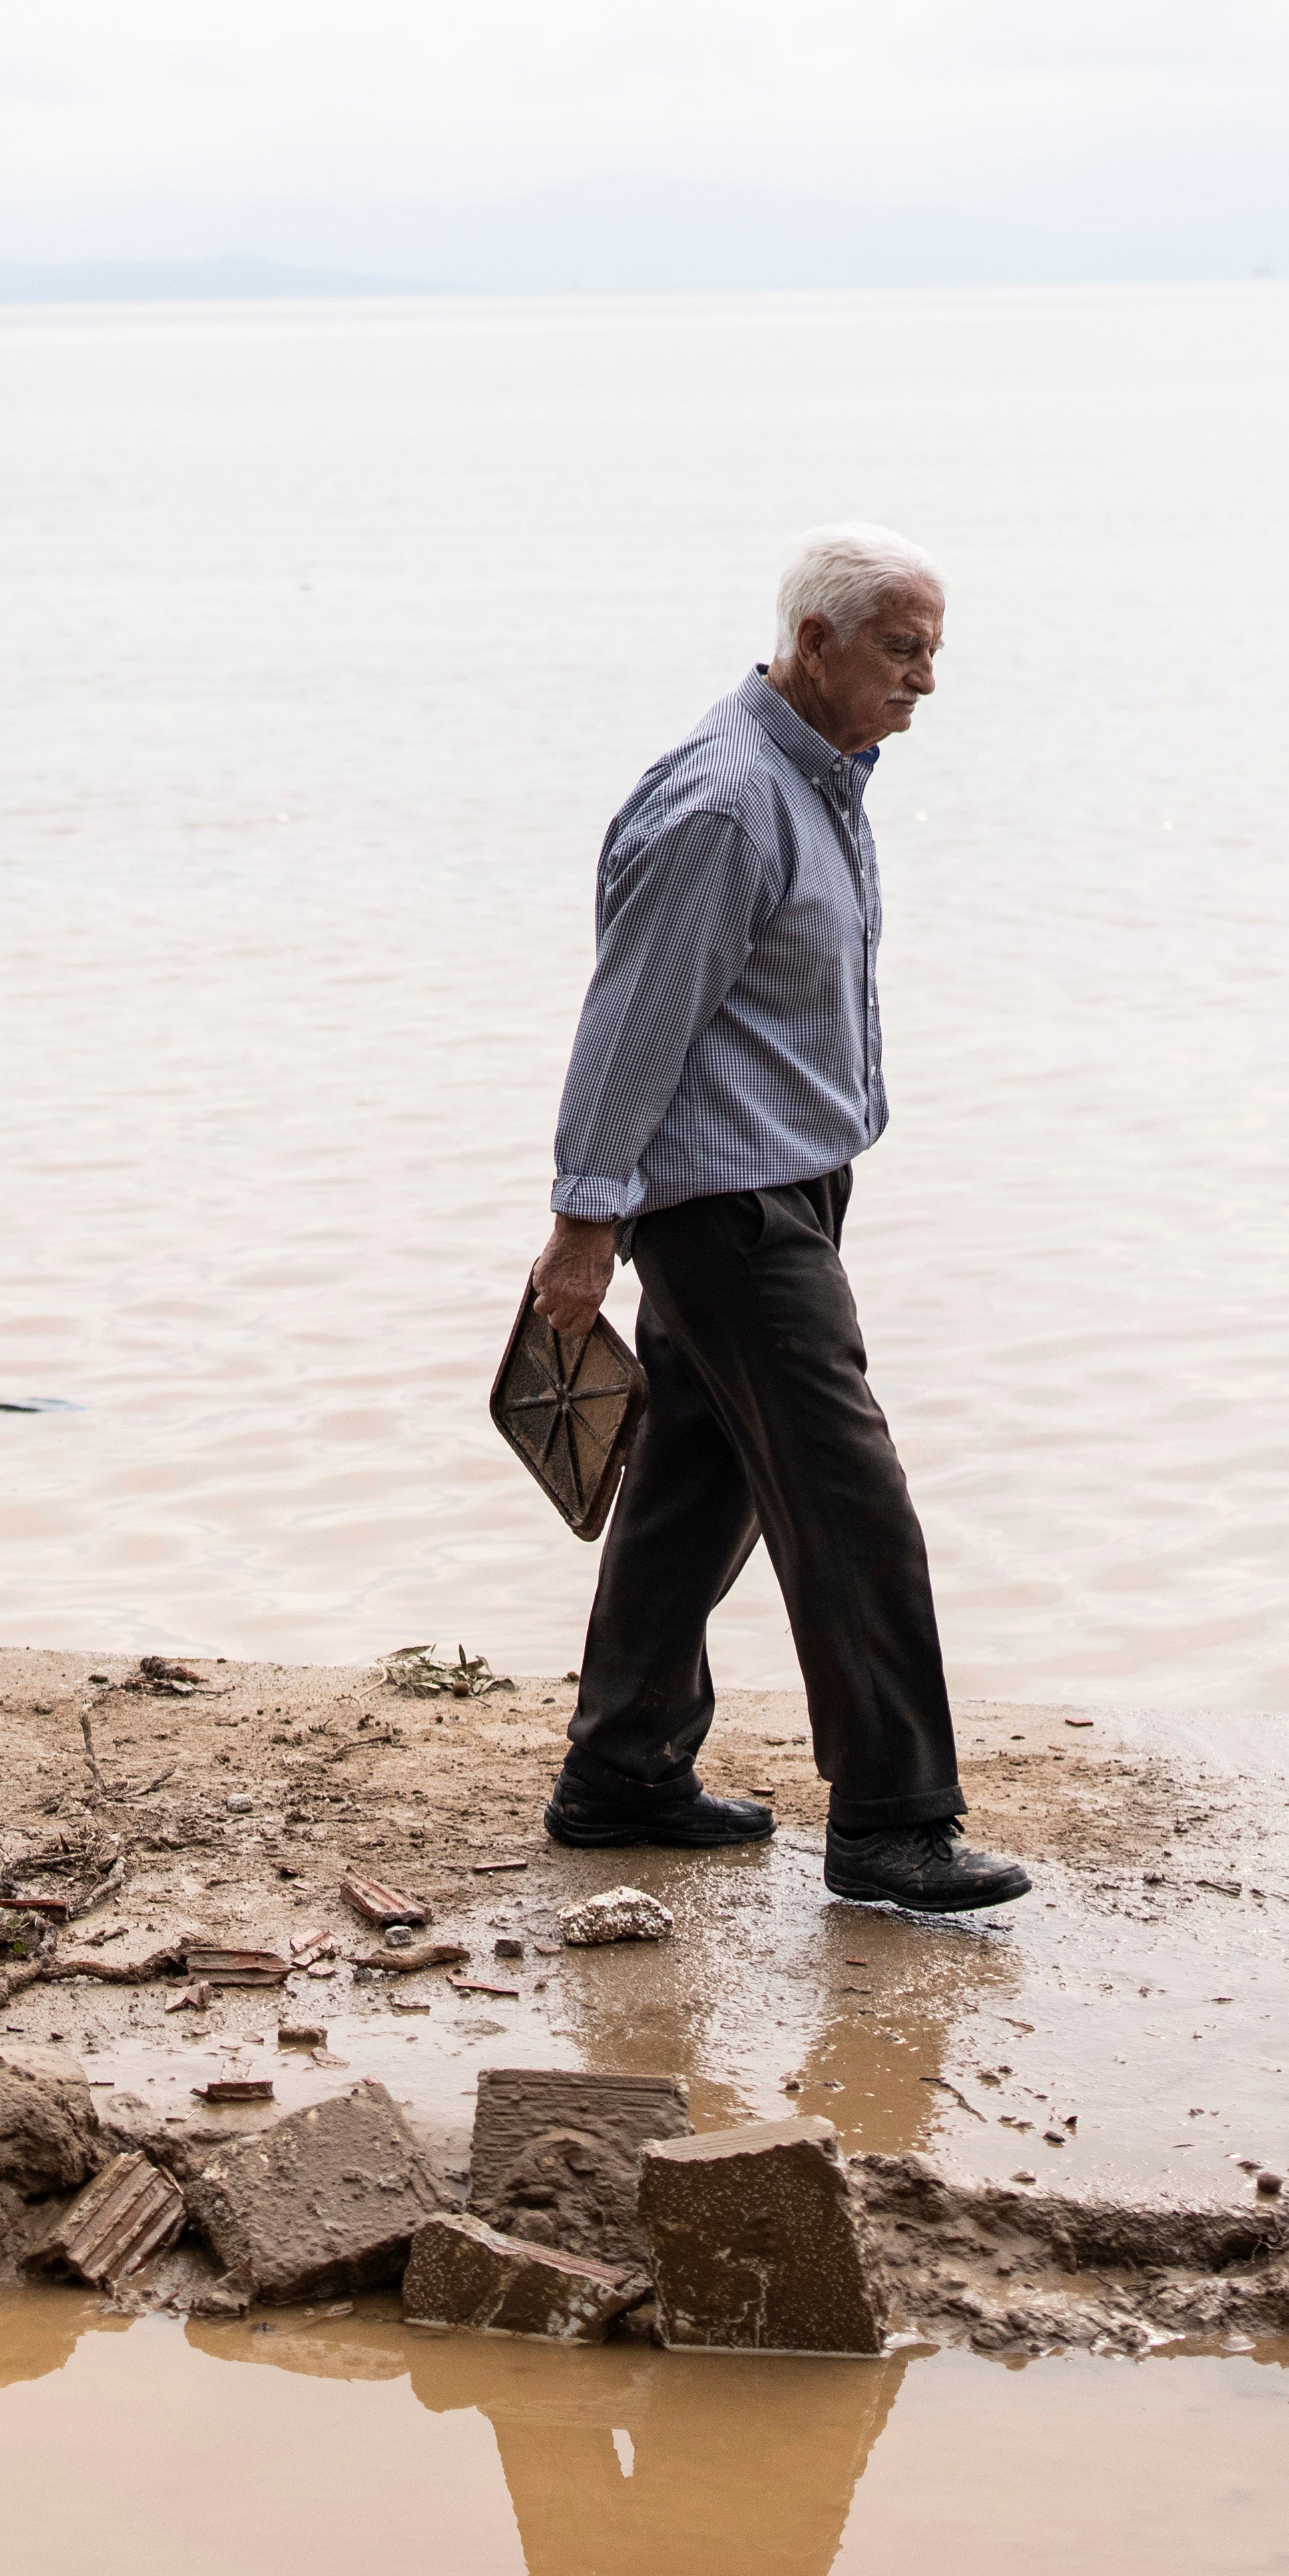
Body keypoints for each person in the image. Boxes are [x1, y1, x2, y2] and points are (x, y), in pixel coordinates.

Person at [525, 525, 1029, 1912]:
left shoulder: (821, 777)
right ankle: (891, 1824)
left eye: (933, 652)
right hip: (725, 1212)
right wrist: (582, 1217)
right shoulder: (728, 804)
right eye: (901, 649)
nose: (923, 681)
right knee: (847, 1495)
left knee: (701, 1481)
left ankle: (621, 1774)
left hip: (785, 1185)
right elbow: (630, 1023)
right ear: (815, 642)